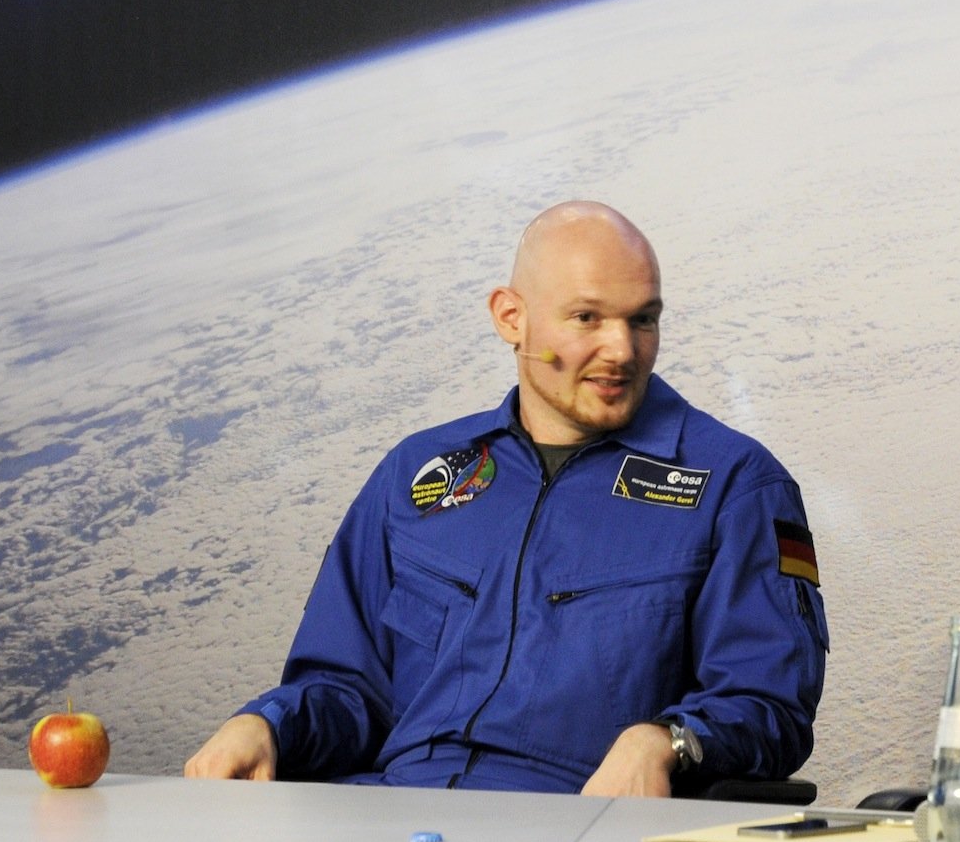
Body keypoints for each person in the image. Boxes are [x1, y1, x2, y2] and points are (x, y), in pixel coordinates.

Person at [185, 201, 826, 794]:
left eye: (643, 320)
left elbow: (768, 706)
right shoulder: (417, 473)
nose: (623, 350)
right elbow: (345, 689)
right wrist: (266, 723)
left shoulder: (737, 486)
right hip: (392, 828)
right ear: (510, 318)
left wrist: (666, 742)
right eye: (587, 318)